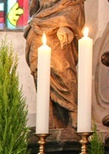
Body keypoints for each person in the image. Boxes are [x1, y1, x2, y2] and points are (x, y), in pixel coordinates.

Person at [24, 0, 85, 129]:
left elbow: (75, 7)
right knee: (40, 73)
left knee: (63, 70)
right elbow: (34, 7)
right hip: (37, 28)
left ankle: (72, 112)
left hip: (60, 31)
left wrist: (66, 24)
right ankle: (48, 120)